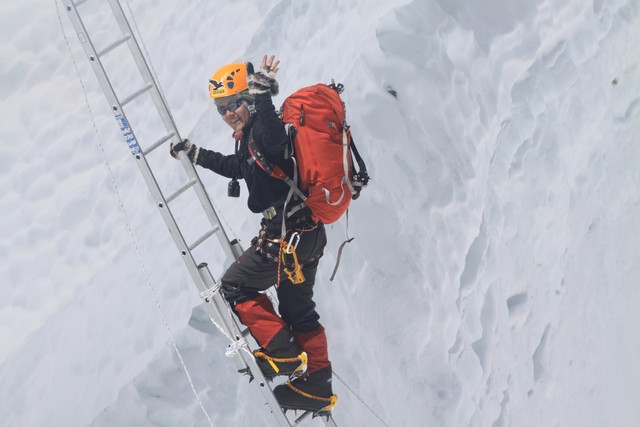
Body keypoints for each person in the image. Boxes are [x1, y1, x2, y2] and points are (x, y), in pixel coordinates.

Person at [170, 55, 336, 413]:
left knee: (234, 286)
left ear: (248, 100)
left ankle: (283, 355)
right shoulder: (249, 138)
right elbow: (238, 167)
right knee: (299, 312)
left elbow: (274, 140)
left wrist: (263, 95)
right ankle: (318, 386)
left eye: (234, 103)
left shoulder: (264, 126)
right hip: (305, 235)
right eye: (221, 108)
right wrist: (198, 154)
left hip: (285, 238)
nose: (229, 113)